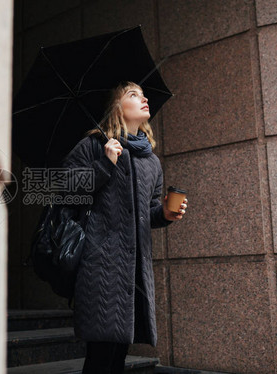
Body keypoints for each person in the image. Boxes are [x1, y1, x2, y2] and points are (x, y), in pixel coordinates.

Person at [61, 81, 187, 373]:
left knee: (118, 356)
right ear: (117, 108)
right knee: (100, 356)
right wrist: (104, 164)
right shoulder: (94, 144)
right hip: (101, 266)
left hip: (134, 271)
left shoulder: (151, 161)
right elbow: (64, 187)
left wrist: (165, 215)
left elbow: (148, 212)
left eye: (143, 95)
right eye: (133, 95)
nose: (143, 99)